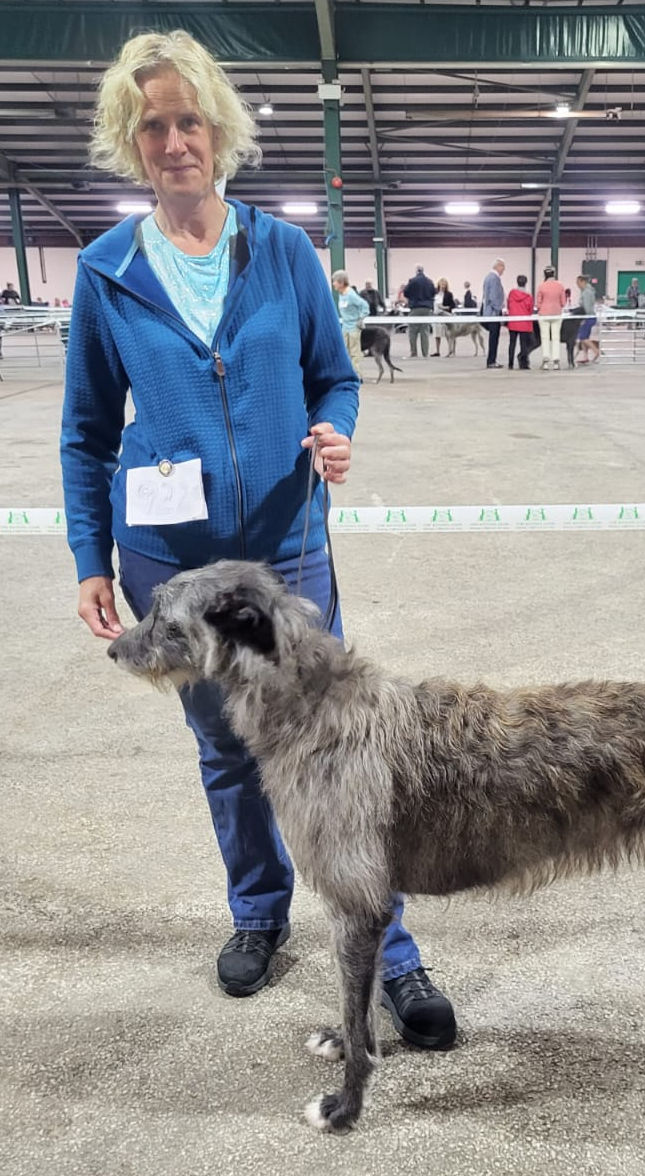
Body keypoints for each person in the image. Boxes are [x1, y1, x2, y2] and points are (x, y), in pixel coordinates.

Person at [59, 29, 456, 1049]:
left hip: (286, 556)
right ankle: (258, 914)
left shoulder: (281, 248)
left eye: (190, 119)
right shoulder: (106, 274)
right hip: (174, 572)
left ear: (219, 129)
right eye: (154, 125)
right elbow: (86, 431)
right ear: (131, 140)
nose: (175, 140)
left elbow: (336, 374)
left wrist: (338, 432)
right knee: (228, 757)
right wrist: (89, 560)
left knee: (342, 756)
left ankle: (391, 950)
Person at [331, 269, 367, 377]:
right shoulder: (342, 295)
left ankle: (357, 375)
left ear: (341, 282)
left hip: (353, 328)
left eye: (335, 281)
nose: (333, 284)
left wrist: (360, 319)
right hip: (345, 327)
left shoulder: (351, 294)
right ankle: (346, 373)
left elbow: (364, 306)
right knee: (345, 352)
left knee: (354, 353)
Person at [535, 265, 565, 370]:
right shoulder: (560, 286)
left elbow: (538, 303)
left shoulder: (541, 286)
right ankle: (556, 361)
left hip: (544, 314)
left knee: (545, 338)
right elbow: (563, 302)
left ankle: (546, 361)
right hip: (557, 314)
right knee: (556, 337)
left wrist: (541, 308)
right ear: (554, 273)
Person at [403, 264, 435, 358]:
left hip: (415, 307)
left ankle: (414, 353)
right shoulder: (429, 281)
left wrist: (412, 298)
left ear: (416, 271)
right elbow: (434, 292)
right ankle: (425, 353)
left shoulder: (412, 281)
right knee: (425, 331)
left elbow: (406, 292)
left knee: (412, 331)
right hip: (427, 308)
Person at [481, 258, 506, 368]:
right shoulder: (494, 278)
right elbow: (493, 297)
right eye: (503, 268)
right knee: (494, 338)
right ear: (498, 266)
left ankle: (491, 360)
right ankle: (491, 361)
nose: (503, 271)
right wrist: (499, 309)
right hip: (493, 314)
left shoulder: (488, 277)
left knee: (493, 337)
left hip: (488, 312)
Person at [506, 274, 533, 370]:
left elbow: (508, 305)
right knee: (523, 345)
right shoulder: (529, 296)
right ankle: (523, 364)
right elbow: (530, 310)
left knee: (512, 343)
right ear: (526, 283)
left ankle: (510, 364)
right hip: (524, 323)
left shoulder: (511, 293)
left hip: (513, 322)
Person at [574, 275, 599, 364]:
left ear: (582, 281)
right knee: (584, 337)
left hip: (588, 317)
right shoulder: (585, 291)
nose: (577, 284)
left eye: (578, 282)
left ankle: (596, 351)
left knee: (583, 337)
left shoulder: (586, 293)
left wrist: (584, 318)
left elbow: (587, 307)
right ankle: (585, 356)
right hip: (588, 316)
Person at [431, 277, 457, 357]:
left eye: (444, 284)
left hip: (445, 315)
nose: (443, 286)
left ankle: (451, 351)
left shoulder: (449, 294)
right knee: (437, 334)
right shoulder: (434, 294)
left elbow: (453, 305)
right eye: (442, 284)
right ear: (439, 284)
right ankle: (437, 351)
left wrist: (445, 307)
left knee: (448, 334)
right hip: (436, 315)